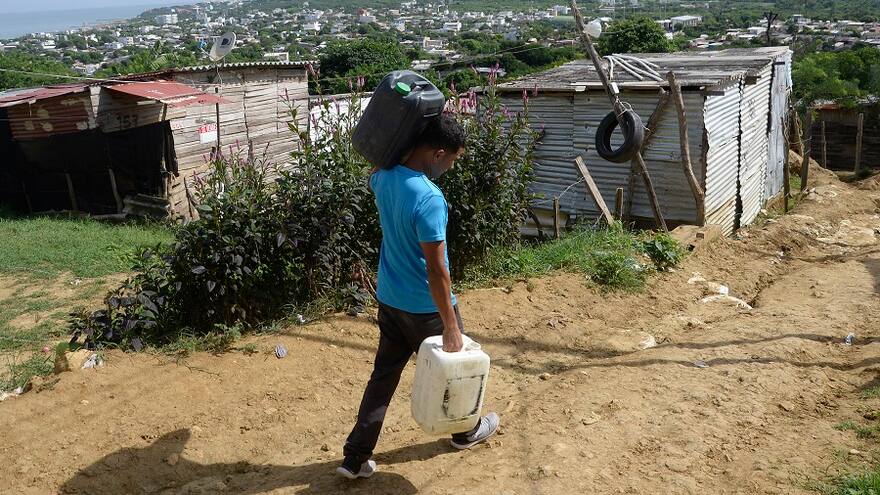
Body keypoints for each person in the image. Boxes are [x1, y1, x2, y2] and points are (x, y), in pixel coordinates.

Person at [337, 114, 500, 479]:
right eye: (453, 160)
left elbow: (379, 163)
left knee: (383, 378)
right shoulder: (429, 198)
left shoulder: (381, 178)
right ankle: (465, 431)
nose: (451, 168)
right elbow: (437, 270)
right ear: (437, 153)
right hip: (426, 308)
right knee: (457, 370)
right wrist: (449, 326)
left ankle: (355, 458)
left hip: (390, 300)